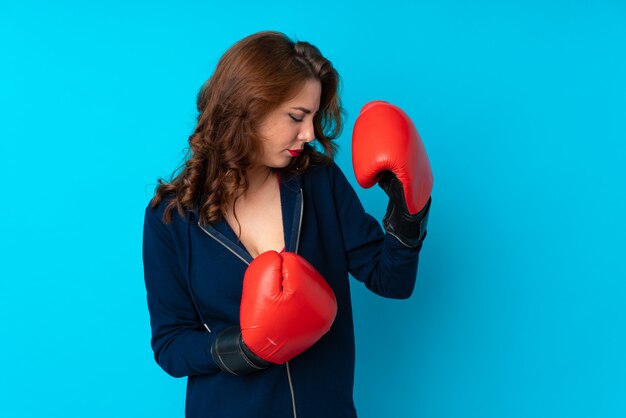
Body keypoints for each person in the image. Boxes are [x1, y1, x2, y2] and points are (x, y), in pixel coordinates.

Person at [142, 30, 433, 418]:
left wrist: (408, 212)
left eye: (313, 117)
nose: (310, 134)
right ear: (249, 108)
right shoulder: (172, 217)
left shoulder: (319, 182)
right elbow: (171, 345)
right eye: (297, 117)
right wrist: (246, 348)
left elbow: (391, 281)